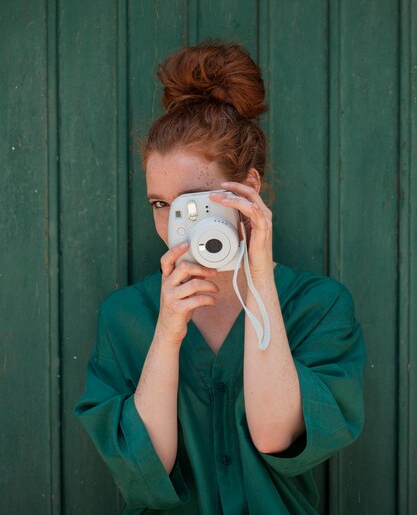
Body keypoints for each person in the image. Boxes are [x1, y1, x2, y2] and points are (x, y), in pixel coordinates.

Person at [74, 41, 366, 514]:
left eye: (194, 204)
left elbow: (275, 434)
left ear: (247, 189)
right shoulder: (125, 316)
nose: (174, 226)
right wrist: (168, 335)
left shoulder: (319, 305)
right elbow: (146, 465)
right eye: (159, 205)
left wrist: (258, 280)